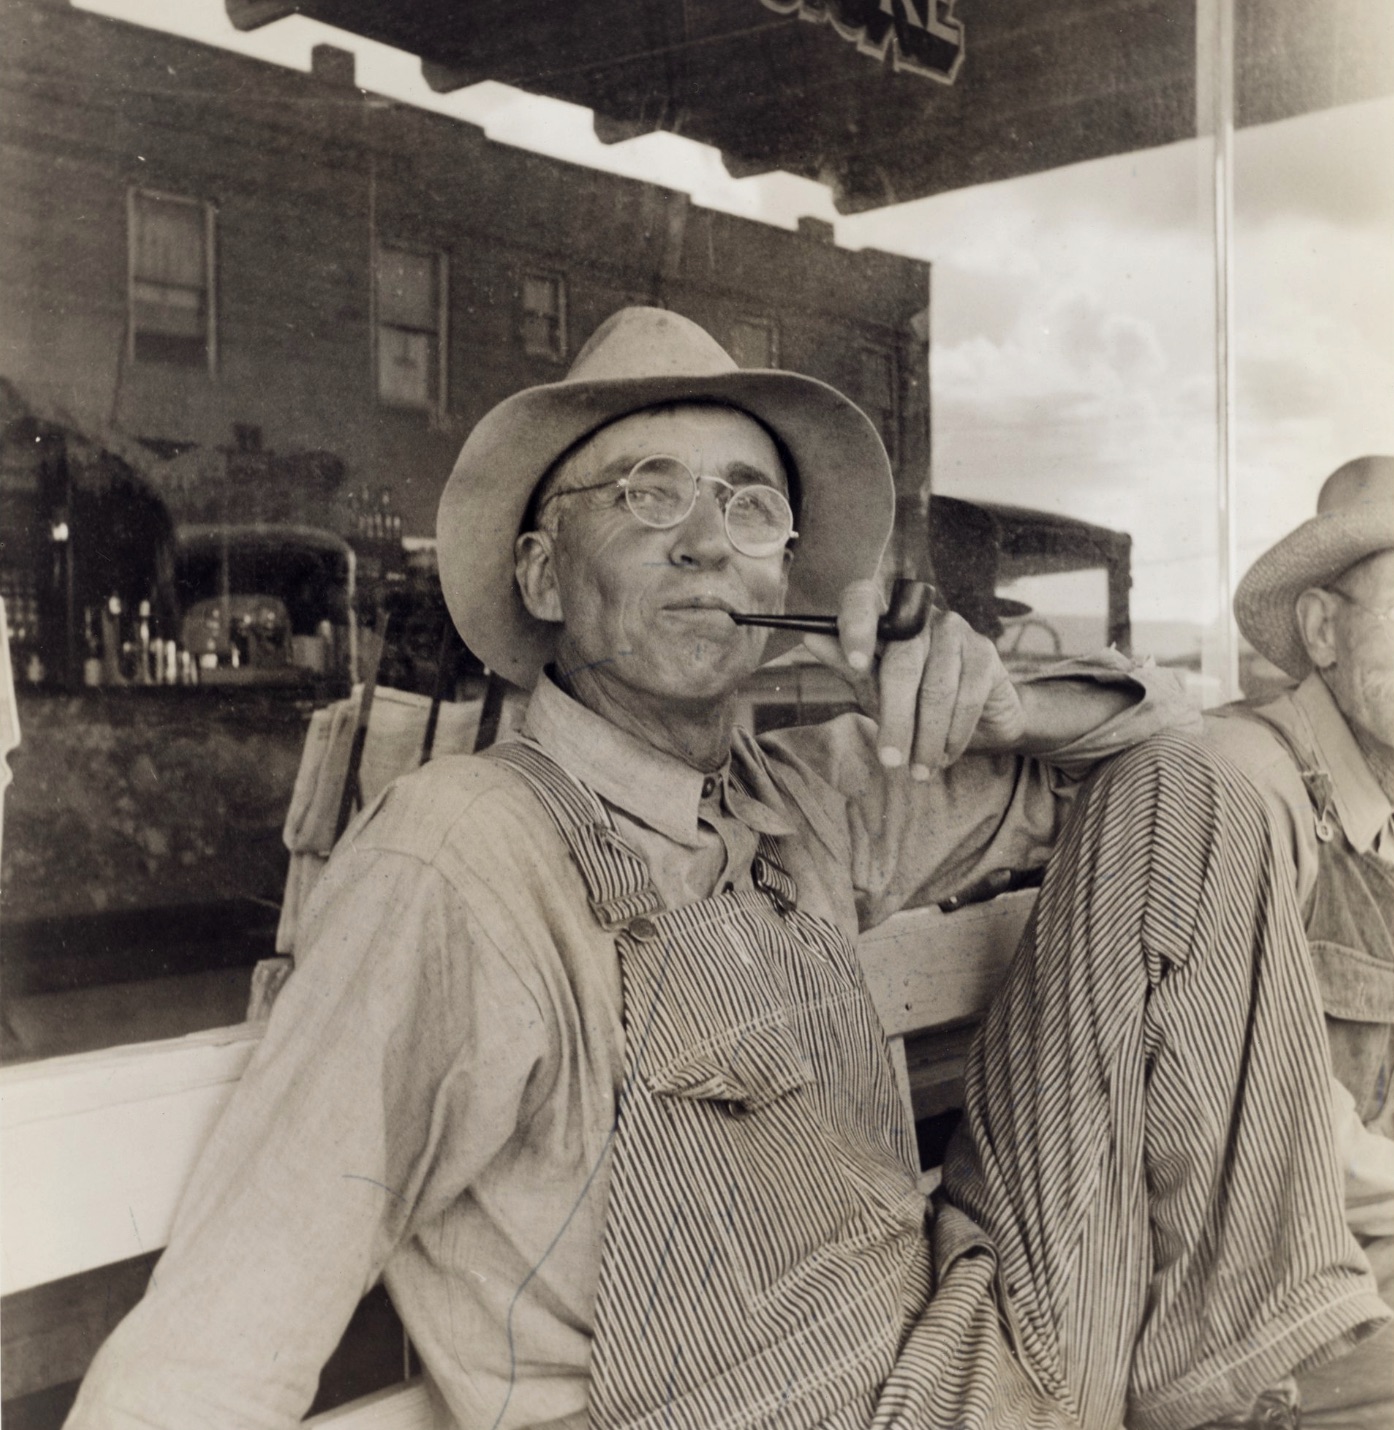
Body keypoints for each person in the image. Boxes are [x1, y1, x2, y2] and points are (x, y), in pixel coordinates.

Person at [67, 310, 1387, 1430]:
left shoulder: (795, 800)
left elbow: (1169, 772)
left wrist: (1000, 705)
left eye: (747, 503)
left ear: (786, 577)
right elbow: (216, 1336)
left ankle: (1273, 1364)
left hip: (981, 1366)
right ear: (540, 571)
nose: (706, 538)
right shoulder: (458, 857)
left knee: (1196, 780)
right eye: (646, 491)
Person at [1205, 457, 1394, 1430]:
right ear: (1320, 628)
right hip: (1243, 1310)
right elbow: (1277, 1134)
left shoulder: (1372, 802)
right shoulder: (1245, 786)